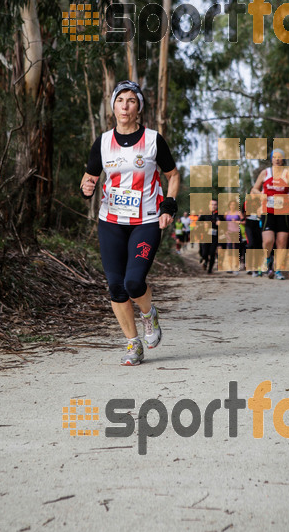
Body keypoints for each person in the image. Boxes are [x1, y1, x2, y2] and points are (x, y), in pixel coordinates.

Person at [80, 80, 179, 365]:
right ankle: (132, 344)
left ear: (139, 107)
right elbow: (90, 178)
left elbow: (172, 175)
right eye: (120, 100)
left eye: (131, 100)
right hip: (110, 222)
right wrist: (87, 188)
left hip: (146, 220)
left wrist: (168, 206)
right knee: (116, 286)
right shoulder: (102, 143)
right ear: (113, 106)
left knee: (134, 282)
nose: (125, 105)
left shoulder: (152, 140)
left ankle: (149, 315)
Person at [251, 148, 289, 280]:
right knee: (268, 240)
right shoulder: (265, 172)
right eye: (275, 157)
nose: (278, 159)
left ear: (283, 159)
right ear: (272, 159)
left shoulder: (288, 173)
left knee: (282, 241)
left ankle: (278, 269)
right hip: (268, 210)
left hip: (284, 211)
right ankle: (267, 259)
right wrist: (261, 194)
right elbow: (254, 189)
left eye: (280, 157)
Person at [198, 198, 224, 274]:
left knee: (212, 253)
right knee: (204, 253)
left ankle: (210, 269)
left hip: (215, 237)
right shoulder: (205, 214)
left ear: (217, 206)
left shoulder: (220, 215)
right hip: (205, 236)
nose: (213, 206)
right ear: (209, 205)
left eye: (215, 205)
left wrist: (221, 224)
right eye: (212, 204)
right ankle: (205, 260)